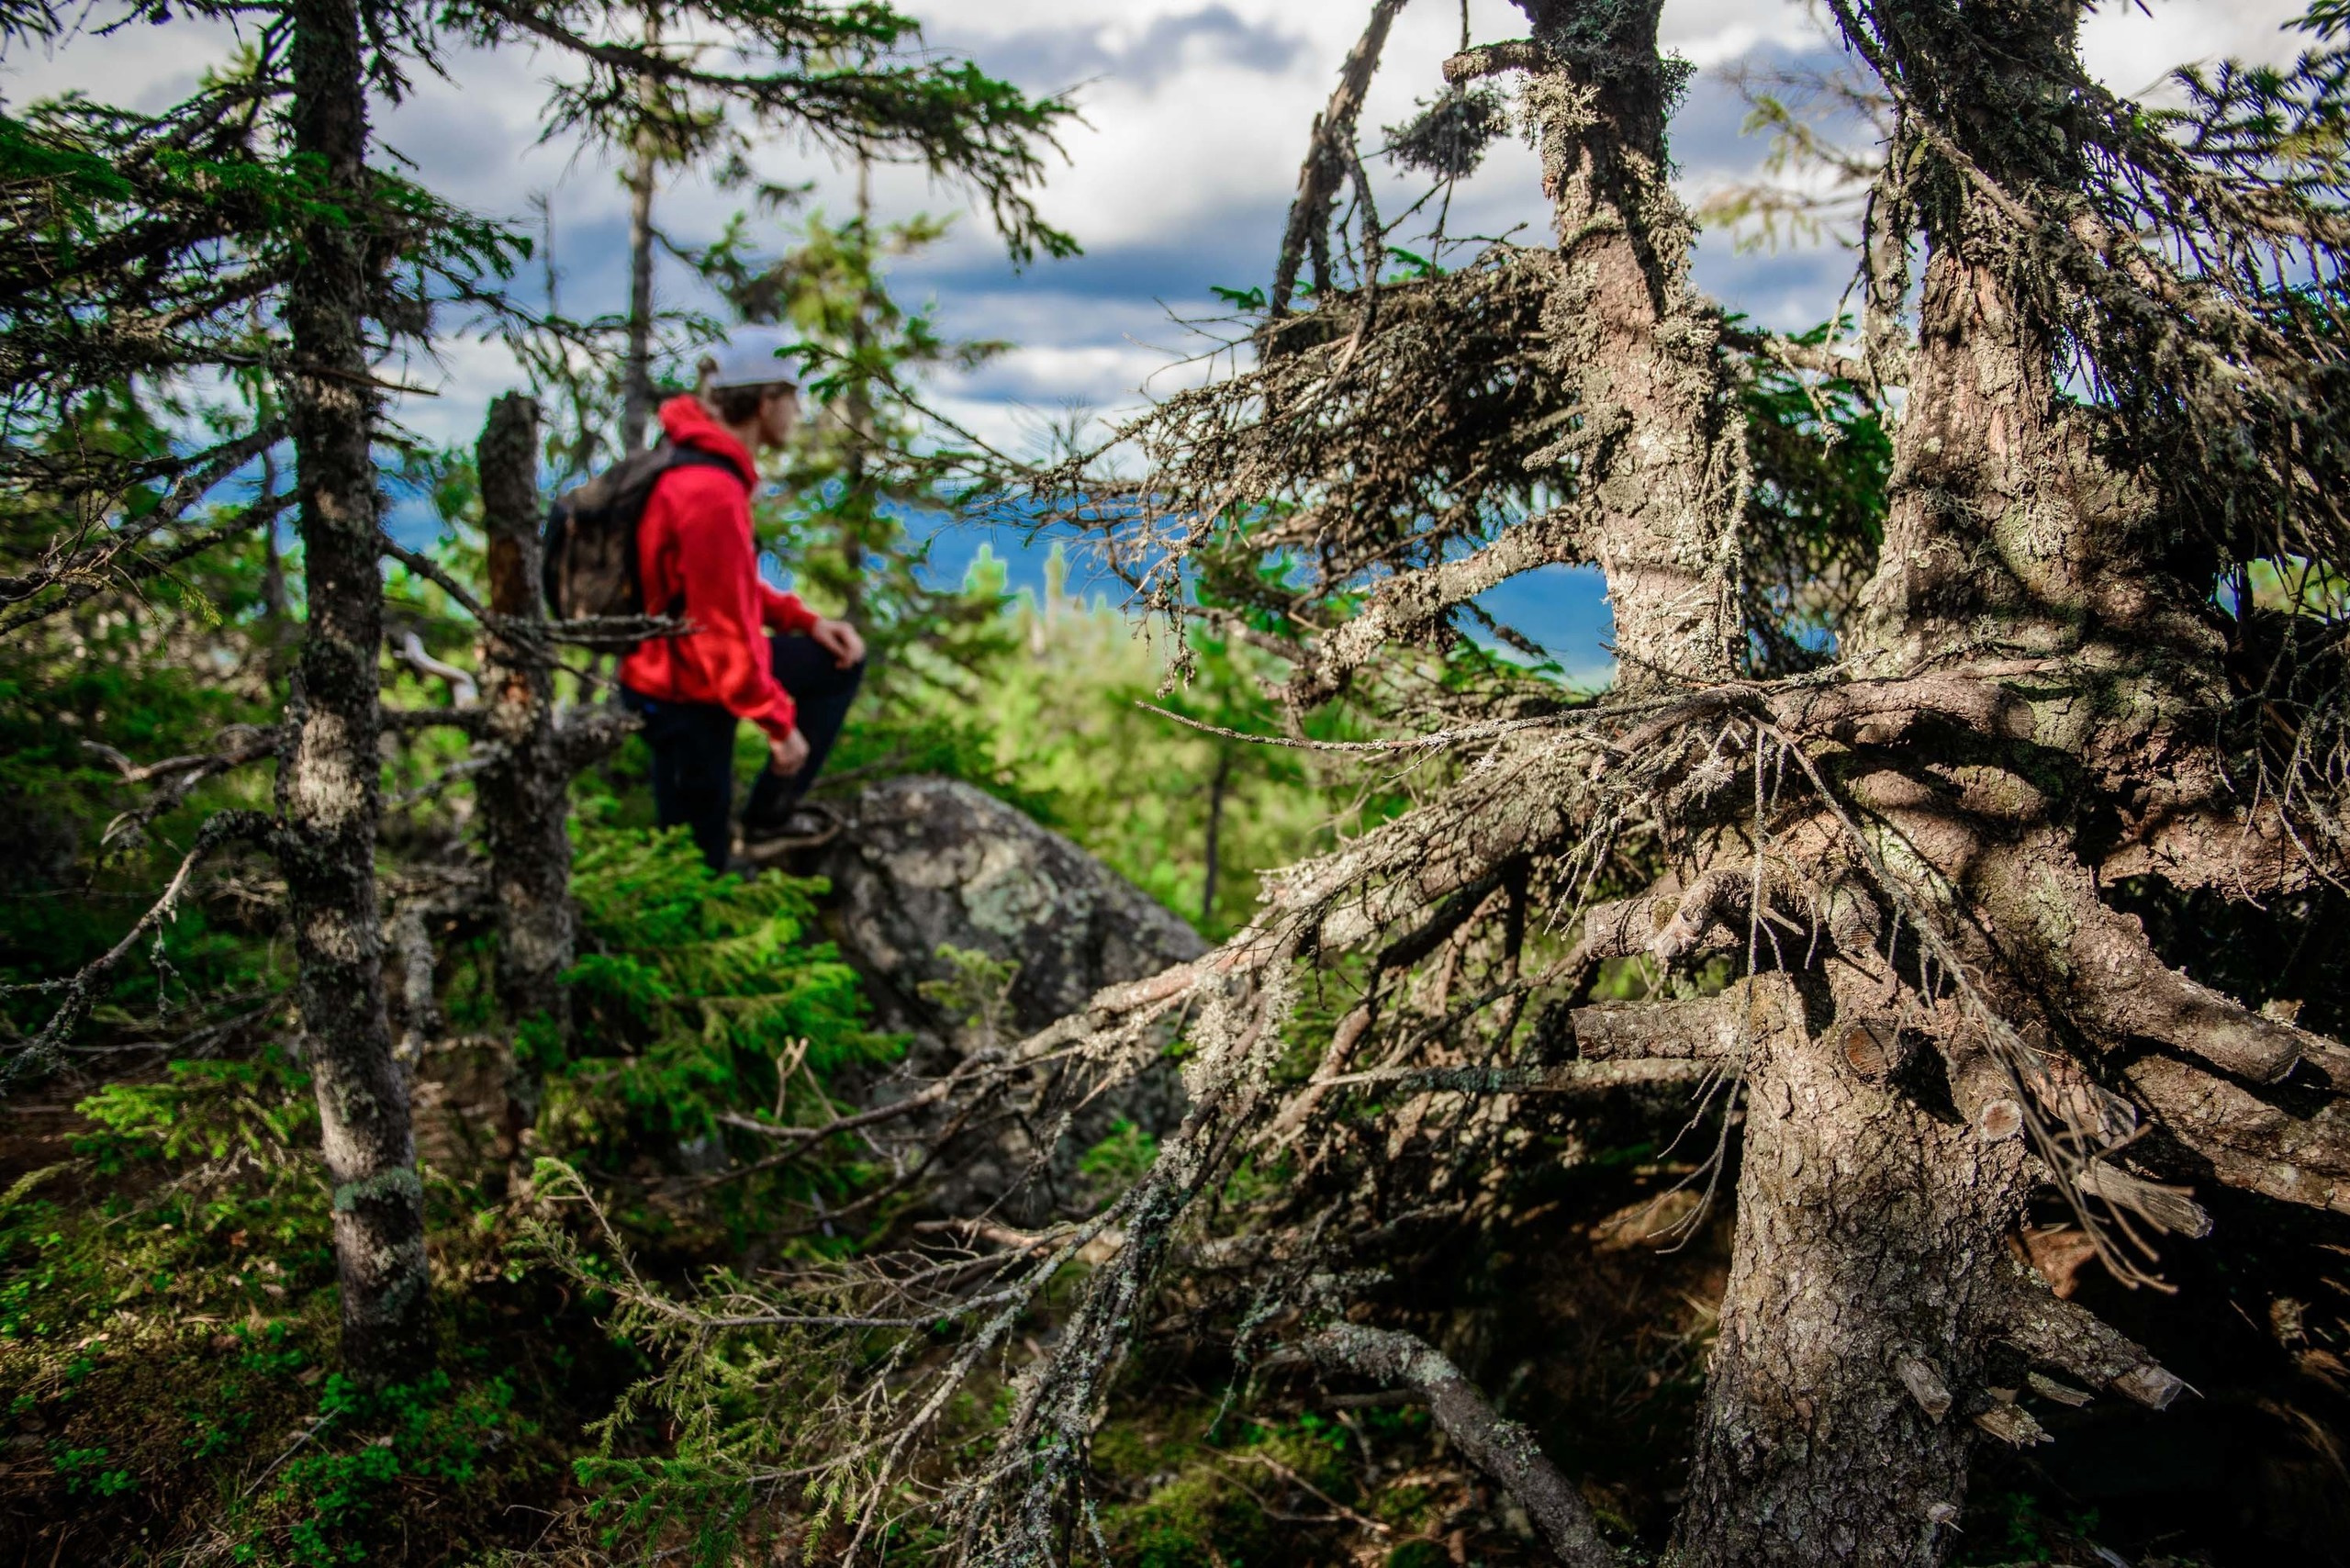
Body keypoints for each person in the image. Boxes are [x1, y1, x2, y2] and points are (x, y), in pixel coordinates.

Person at [618, 335, 867, 871]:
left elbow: (720, 587)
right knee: (692, 863)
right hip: (680, 692)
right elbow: (718, 629)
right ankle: (711, 900)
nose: (798, 412)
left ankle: (767, 820)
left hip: (686, 674)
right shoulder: (710, 490)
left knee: (836, 661)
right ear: (764, 402)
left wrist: (806, 622)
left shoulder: (709, 471)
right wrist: (779, 727)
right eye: (792, 398)